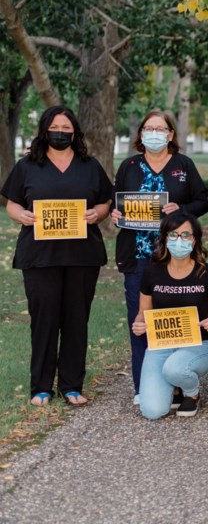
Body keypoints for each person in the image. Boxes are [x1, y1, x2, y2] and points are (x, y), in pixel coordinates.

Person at [1, 105, 113, 407]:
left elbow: (106, 201)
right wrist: (21, 215)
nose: (60, 133)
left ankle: (72, 385)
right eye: (55, 128)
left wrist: (97, 213)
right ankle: (41, 387)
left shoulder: (89, 165)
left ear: (74, 132)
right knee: (44, 320)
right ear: (45, 130)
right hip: (40, 256)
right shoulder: (28, 166)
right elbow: (11, 202)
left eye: (66, 129)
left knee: (77, 319)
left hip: (82, 255)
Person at [112, 110, 208, 405]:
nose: (154, 133)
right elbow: (118, 203)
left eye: (160, 128)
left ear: (170, 134)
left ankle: (178, 381)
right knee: (140, 321)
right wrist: (117, 214)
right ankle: (144, 384)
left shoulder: (183, 164)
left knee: (174, 319)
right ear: (141, 134)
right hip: (138, 256)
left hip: (175, 257)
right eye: (148, 128)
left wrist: (182, 209)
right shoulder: (128, 165)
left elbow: (203, 201)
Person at [132, 212, 208, 419]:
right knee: (152, 411)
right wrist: (139, 324)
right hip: (161, 346)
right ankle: (174, 387)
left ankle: (191, 393)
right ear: (165, 238)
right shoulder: (151, 272)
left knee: (174, 369)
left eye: (185, 235)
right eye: (173, 235)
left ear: (195, 240)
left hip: (198, 345)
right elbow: (142, 313)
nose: (179, 240)